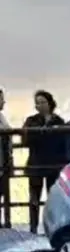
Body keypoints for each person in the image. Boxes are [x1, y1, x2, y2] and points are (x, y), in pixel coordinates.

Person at [21, 90, 66, 234]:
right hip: (36, 164)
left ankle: (52, 227)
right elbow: (26, 139)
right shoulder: (31, 120)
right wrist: (43, 132)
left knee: (52, 198)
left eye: (42, 102)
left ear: (50, 103)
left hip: (52, 164)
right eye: (37, 103)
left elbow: (61, 142)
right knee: (34, 198)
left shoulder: (58, 121)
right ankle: (33, 227)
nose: (40, 105)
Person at [0, 89, 12, 228]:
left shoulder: (2, 116)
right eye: (1, 99)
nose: (3, 102)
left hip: (4, 162)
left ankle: (6, 223)